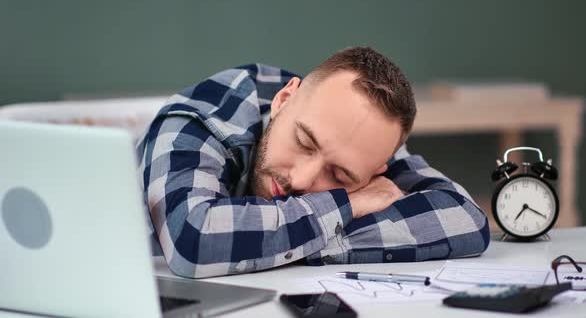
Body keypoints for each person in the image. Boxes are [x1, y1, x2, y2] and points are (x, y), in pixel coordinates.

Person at [136, 47, 490, 278]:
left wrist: (278, 241)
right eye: (304, 142)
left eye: (339, 174)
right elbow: (193, 237)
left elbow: (465, 220)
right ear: (284, 99)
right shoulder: (205, 115)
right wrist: (347, 203)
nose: (303, 180)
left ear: (376, 170)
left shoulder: (364, 138)